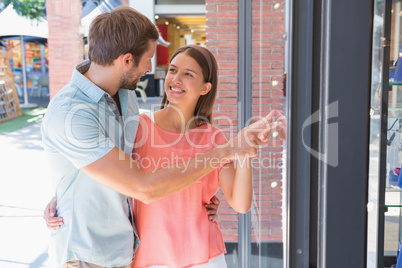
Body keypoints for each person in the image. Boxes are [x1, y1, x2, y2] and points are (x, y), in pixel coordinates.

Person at [41, 6, 285, 268]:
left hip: (139, 252)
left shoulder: (125, 96)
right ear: (126, 60)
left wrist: (242, 150)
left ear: (205, 87)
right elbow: (143, 185)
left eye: (187, 74)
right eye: (154, 61)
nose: (151, 68)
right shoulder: (78, 114)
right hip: (98, 255)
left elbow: (238, 202)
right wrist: (63, 198)